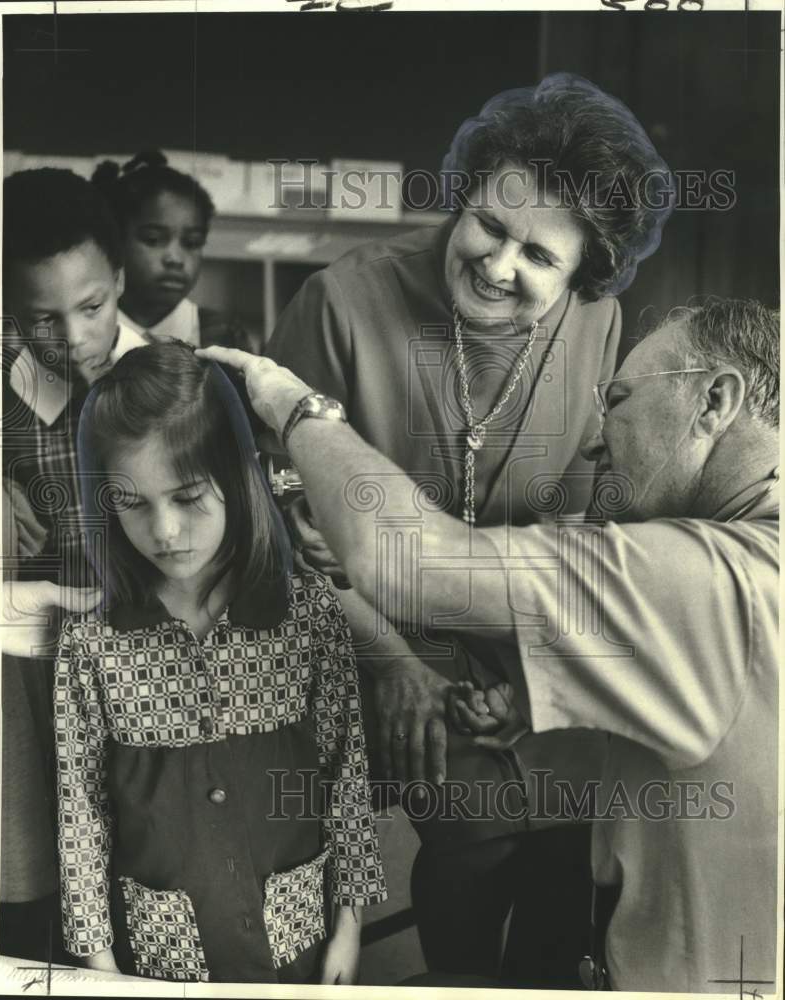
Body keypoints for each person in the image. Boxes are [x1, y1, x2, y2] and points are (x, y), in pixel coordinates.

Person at [198, 294, 779, 993]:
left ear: (714, 402)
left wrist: (294, 406)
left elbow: (404, 559)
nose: (595, 442)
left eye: (618, 400)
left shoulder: (705, 575)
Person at [265, 72, 673, 982]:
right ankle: (460, 981)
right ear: (465, 195)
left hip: (515, 626)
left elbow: (576, 501)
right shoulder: (340, 304)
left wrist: (535, 666)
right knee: (480, 823)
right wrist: (390, 662)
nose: (498, 265)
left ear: (584, 274)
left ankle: (536, 978)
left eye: (539, 256)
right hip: (361, 629)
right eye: (489, 225)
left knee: (589, 819)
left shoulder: (598, 322)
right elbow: (280, 528)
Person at [54, 340, 386, 984]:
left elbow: (346, 775)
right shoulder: (90, 642)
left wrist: (349, 929)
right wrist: (100, 968)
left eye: (187, 496)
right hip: (157, 959)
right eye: (133, 504)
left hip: (300, 945)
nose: (165, 531)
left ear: (236, 479)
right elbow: (81, 814)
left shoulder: (309, 612)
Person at [0, 167, 148, 962]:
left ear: (120, 280)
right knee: (38, 898)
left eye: (93, 307)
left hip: (148, 677)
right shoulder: (4, 407)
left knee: (148, 885)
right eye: (41, 319)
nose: (77, 338)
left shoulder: (176, 383)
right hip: (33, 682)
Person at [92, 150, 256, 351]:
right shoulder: (84, 332)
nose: (175, 259)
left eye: (192, 243)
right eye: (153, 239)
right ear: (115, 241)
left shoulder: (222, 334)